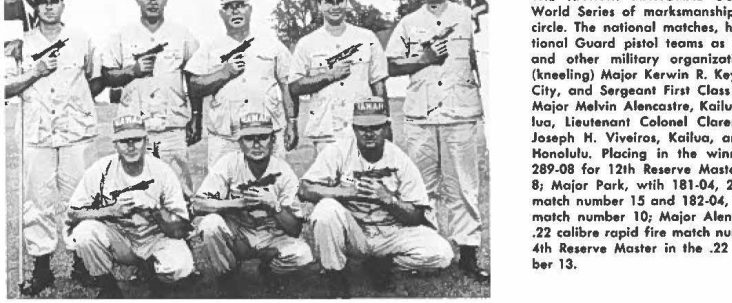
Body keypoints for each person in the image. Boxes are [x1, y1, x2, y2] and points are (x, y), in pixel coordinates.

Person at [385, 0, 489, 281]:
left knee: (463, 187)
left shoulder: (469, 18)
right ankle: (425, 250)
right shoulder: (407, 23)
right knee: (420, 187)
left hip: (460, 113)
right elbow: (389, 66)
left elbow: (482, 62)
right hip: (421, 116)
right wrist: (423, 58)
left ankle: (469, 254)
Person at [303, 97, 453, 298]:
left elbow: (417, 216)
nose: (369, 133)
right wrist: (344, 192)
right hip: (355, 232)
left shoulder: (400, 160)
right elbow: (304, 188)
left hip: (390, 231)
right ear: (354, 129)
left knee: (442, 253)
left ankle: (383, 264)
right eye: (363, 128)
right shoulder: (339, 151)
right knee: (325, 211)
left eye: (376, 127)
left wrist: (388, 199)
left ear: (387, 127)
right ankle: (336, 276)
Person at [4, 0, 99, 296]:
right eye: (42, 0)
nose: (48, 6)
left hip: (76, 134)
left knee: (81, 199)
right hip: (37, 134)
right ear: (34, 6)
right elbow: (5, 88)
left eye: (53, 0)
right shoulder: (20, 45)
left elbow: (94, 81)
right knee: (38, 203)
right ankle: (42, 269)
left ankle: (82, 264)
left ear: (63, 4)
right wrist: (35, 72)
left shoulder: (82, 40)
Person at [67, 115, 194, 298]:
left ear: (146, 141)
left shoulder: (162, 171)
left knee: (180, 265)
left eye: (136, 139)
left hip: (154, 236)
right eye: (124, 141)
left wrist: (157, 211)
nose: (131, 146)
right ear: (115, 144)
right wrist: (110, 210)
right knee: (84, 234)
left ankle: (154, 277)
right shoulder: (100, 169)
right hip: (120, 237)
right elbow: (73, 213)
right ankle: (108, 286)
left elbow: (182, 227)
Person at [99, 0, 200, 197]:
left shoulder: (181, 34)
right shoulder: (122, 35)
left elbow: (194, 78)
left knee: (179, 190)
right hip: (135, 127)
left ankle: (183, 230)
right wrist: (131, 71)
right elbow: (106, 76)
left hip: (172, 126)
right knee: (136, 190)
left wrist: (196, 116)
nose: (153, 1)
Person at [193, 112, 312, 298]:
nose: (256, 144)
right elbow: (198, 203)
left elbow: (295, 229)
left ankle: (270, 270)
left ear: (272, 140)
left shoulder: (283, 171)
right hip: (239, 232)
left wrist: (275, 207)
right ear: (240, 142)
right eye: (249, 138)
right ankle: (227, 274)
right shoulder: (229, 164)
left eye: (263, 137)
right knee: (210, 225)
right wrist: (236, 203)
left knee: (302, 255)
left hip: (270, 234)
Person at [185, 0, 298, 166]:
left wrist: (292, 123)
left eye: (240, 5)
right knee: (222, 190)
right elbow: (194, 85)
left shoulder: (270, 44)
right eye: (229, 7)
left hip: (267, 135)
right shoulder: (211, 47)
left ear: (250, 10)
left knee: (272, 186)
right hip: (226, 139)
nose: (235, 11)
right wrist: (224, 73)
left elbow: (287, 85)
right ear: (222, 14)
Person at [289, 0, 388, 155]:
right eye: (328, 1)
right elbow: (294, 87)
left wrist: (385, 123)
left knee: (364, 180)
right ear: (319, 5)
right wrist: (329, 76)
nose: (335, 6)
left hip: (363, 128)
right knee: (328, 182)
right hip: (326, 132)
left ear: (346, 3)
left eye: (339, 1)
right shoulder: (307, 43)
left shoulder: (366, 38)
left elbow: (378, 85)